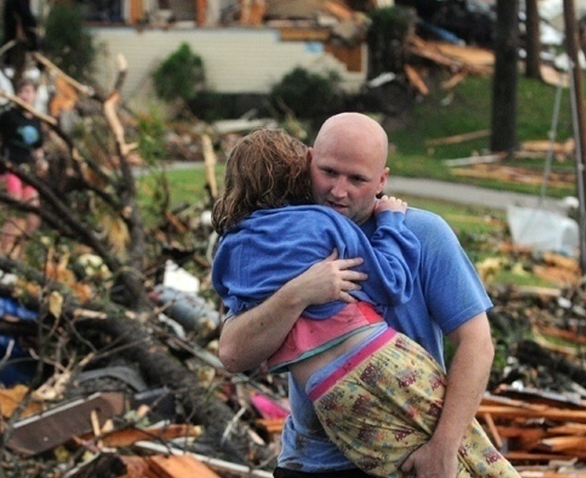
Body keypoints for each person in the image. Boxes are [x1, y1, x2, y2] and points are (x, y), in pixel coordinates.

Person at [212, 129, 514, 477]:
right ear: (308, 162)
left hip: (411, 449)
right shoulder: (286, 236)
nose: (339, 190)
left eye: (357, 179)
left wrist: (443, 448)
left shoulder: (423, 232)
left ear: (382, 179)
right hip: (309, 461)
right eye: (328, 172)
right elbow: (233, 353)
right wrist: (299, 293)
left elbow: (477, 343)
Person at [0, 79, 47, 255]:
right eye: (22, 92)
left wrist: (42, 162)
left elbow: (38, 148)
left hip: (28, 171)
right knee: (16, 211)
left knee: (34, 216)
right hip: (9, 168)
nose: (25, 96)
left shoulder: (36, 120)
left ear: (34, 95)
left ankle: (20, 255)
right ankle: (3, 253)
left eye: (28, 92)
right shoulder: (8, 115)